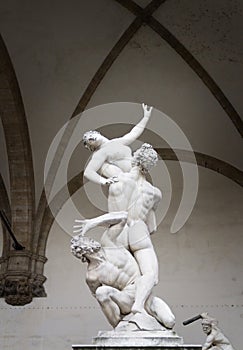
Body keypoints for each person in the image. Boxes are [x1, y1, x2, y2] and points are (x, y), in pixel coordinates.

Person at [74, 144, 162, 315]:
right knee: (150, 275)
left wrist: (102, 150)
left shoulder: (119, 180)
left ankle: (127, 307)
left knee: (120, 277)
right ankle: (138, 304)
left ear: (134, 160)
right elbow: (152, 226)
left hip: (119, 232)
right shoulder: (155, 193)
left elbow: (99, 166)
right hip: (139, 232)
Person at [71, 235, 175, 330]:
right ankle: (119, 327)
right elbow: (101, 300)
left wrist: (92, 223)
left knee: (169, 321)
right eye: (83, 245)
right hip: (126, 299)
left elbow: (123, 218)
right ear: (80, 253)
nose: (90, 242)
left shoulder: (113, 246)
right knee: (101, 292)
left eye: (88, 240)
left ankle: (139, 306)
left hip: (145, 294)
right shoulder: (92, 275)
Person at [82, 103, 153, 185]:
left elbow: (134, 133)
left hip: (139, 175)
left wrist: (145, 117)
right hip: (127, 178)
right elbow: (88, 172)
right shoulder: (100, 153)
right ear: (91, 146)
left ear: (97, 133)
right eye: (89, 141)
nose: (91, 138)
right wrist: (104, 181)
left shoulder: (117, 141)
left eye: (91, 135)